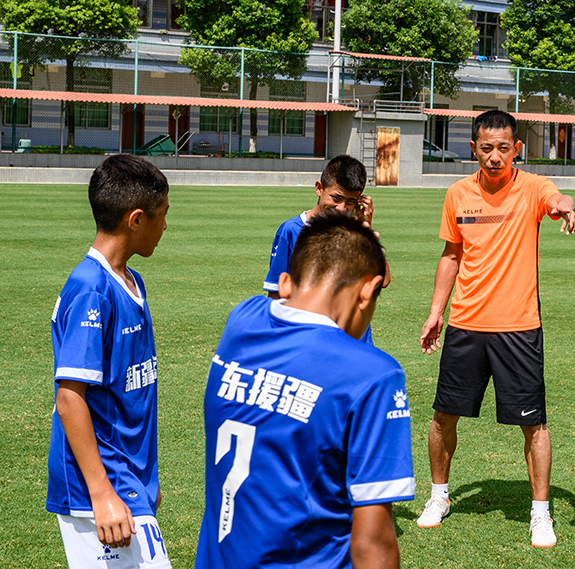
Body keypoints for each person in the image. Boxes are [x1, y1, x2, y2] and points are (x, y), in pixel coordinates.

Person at [195, 213, 414, 569]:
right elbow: (372, 543)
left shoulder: (242, 320)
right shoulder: (374, 375)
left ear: (286, 281)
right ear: (367, 292)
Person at [416, 110, 575, 548]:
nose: (495, 156)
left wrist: (565, 206)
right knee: (443, 416)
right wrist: (436, 312)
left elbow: (557, 198)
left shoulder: (533, 188)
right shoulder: (457, 194)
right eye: (486, 148)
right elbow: (451, 255)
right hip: (465, 325)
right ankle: (439, 496)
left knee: (534, 425)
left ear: (516, 149)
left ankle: (540, 514)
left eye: (503, 148)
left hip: (518, 328)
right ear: (474, 148)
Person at [47, 154, 172, 568]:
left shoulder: (130, 281)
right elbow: (70, 398)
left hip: (128, 479)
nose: (166, 226)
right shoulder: (92, 290)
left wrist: (145, 478)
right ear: (136, 219)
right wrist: (102, 494)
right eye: (162, 214)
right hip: (99, 485)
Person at [263, 154, 389, 345]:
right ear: (319, 188)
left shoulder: (356, 231)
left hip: (355, 342)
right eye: (336, 198)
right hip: (312, 341)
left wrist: (366, 227)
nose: (341, 208)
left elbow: (384, 280)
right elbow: (275, 295)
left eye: (350, 202)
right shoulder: (291, 231)